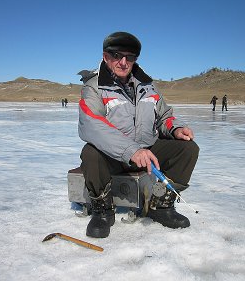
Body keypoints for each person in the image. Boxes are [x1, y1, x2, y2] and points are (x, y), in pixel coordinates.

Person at [78, 31, 199, 238]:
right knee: (90, 153)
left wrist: (175, 128)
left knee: (188, 149)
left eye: (130, 57)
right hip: (113, 155)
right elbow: (92, 125)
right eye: (117, 55)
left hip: (147, 150)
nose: (123, 62)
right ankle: (102, 211)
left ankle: (160, 206)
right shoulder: (94, 87)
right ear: (106, 56)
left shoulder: (148, 86)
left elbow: (164, 115)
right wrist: (131, 150)